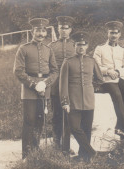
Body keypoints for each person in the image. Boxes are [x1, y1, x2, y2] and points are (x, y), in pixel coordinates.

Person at [13, 18, 58, 159]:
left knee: (40, 120)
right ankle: (26, 155)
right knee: (29, 120)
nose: (40, 33)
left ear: (46, 33)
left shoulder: (48, 50)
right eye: (37, 30)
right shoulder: (24, 48)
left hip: (45, 89)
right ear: (32, 31)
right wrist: (33, 84)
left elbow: (55, 70)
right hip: (29, 90)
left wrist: (45, 83)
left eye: (43, 30)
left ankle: (35, 151)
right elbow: (18, 71)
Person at [59, 31, 103, 161]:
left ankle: (85, 157)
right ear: (74, 46)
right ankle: (92, 152)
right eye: (78, 45)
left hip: (88, 100)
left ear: (87, 46)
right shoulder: (68, 62)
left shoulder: (92, 61)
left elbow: (100, 79)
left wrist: (91, 86)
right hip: (73, 101)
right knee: (75, 128)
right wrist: (65, 102)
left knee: (87, 129)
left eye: (84, 45)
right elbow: (63, 84)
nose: (81, 47)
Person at [93, 21, 124, 138]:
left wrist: (118, 72)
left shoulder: (122, 50)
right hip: (107, 79)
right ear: (108, 33)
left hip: (121, 77)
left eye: (116, 33)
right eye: (111, 33)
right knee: (117, 95)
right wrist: (108, 71)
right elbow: (96, 66)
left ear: (119, 34)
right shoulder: (100, 48)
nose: (114, 36)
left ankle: (119, 126)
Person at [48, 16, 75, 152]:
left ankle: (66, 145)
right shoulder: (52, 46)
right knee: (56, 115)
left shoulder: (75, 45)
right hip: (55, 85)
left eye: (66, 28)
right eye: (61, 28)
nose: (64, 30)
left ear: (70, 29)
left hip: (71, 86)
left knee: (69, 116)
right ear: (58, 29)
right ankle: (56, 144)